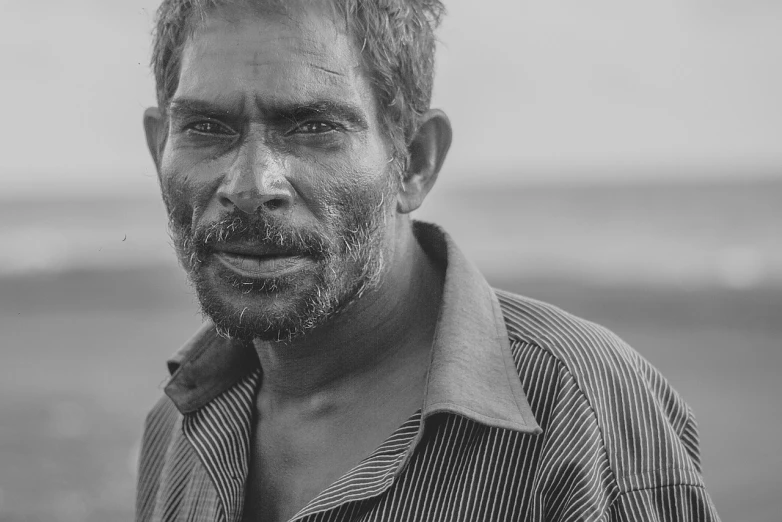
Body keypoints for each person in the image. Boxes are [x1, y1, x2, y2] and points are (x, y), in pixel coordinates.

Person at [136, 1, 721, 521]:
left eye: (314, 128)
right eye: (207, 128)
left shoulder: (579, 413)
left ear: (414, 162)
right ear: (161, 147)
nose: (250, 184)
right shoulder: (180, 425)